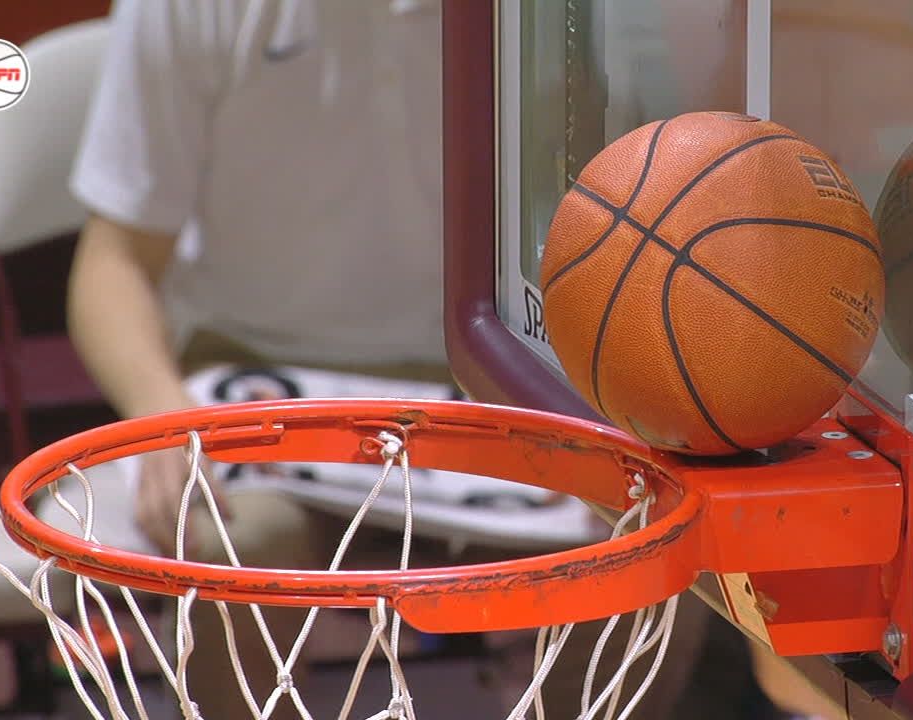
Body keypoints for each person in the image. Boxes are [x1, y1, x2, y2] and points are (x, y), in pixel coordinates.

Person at [67, 1, 717, 718]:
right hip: (259, 377)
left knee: (647, 535)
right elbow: (113, 263)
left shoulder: (557, 15)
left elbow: (622, 235)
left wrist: (594, 408)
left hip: (496, 374)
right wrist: (163, 416)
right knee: (238, 542)